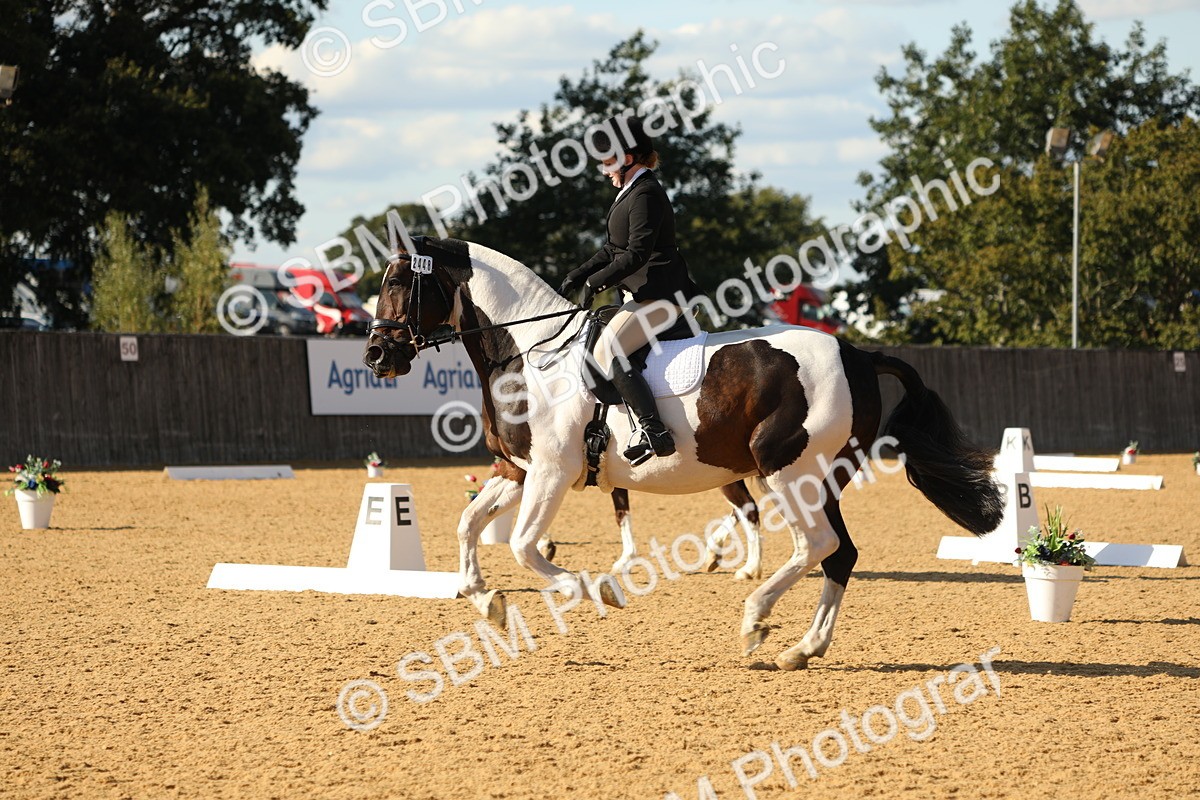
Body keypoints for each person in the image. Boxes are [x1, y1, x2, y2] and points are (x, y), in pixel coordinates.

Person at [559, 116, 702, 465]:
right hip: (643, 294)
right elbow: (613, 249)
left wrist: (597, 283)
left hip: (663, 296)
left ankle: (654, 431)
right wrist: (579, 274)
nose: (603, 169)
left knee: (611, 349)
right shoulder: (631, 191)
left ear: (627, 158)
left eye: (607, 161)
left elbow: (637, 253)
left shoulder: (647, 193)